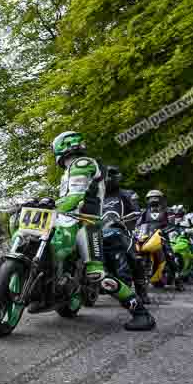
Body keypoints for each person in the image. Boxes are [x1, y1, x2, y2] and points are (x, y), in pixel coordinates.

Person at [49, 131, 155, 330]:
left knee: (96, 273)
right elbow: (67, 199)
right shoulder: (70, 170)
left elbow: (76, 197)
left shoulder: (82, 164)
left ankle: (141, 313)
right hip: (68, 222)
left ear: (62, 147)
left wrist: (53, 208)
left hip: (86, 223)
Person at [103, 165, 150, 303]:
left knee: (135, 258)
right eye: (105, 174)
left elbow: (137, 212)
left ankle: (141, 291)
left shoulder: (127, 194)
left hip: (123, 231)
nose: (107, 178)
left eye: (111, 174)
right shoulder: (97, 198)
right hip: (99, 232)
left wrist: (122, 220)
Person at [137, 190, 184, 291]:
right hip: (147, 237)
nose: (153, 199)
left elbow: (172, 224)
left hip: (162, 237)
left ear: (161, 199)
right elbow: (138, 224)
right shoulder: (144, 212)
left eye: (156, 197)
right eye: (151, 198)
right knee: (136, 253)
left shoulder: (168, 211)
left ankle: (178, 280)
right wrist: (136, 231)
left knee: (170, 255)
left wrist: (165, 231)